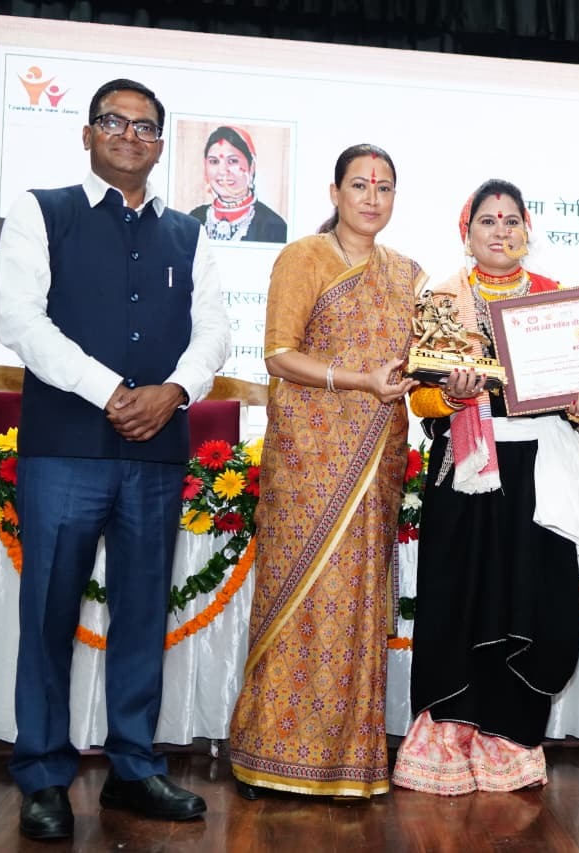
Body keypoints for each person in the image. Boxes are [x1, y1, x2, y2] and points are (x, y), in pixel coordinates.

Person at [0, 78, 231, 840]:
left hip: (156, 452)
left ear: (161, 144)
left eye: (145, 126)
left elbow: (215, 333)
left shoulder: (190, 235)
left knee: (141, 612)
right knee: (49, 613)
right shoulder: (42, 211)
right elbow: (19, 321)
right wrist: (111, 391)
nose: (130, 135)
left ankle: (134, 767)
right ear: (88, 134)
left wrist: (174, 391)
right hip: (65, 449)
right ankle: (43, 775)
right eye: (114, 121)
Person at [391, 178, 579, 795]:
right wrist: (451, 396)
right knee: (458, 601)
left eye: (512, 221)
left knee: (534, 605)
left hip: (540, 473)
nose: (501, 231)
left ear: (527, 232)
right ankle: (446, 741)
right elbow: (420, 399)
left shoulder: (557, 299)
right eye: (488, 220)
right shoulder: (440, 301)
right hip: (465, 474)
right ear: (467, 233)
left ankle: (510, 740)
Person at [226, 144, 422, 798]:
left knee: (358, 603)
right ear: (334, 192)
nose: (372, 197)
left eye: (384, 187)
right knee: (296, 597)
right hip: (306, 462)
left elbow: (424, 361)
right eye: (360, 184)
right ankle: (267, 755)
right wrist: (358, 379)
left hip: (374, 460)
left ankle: (347, 763)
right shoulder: (302, 257)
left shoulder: (408, 275)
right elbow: (279, 355)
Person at [188, 125, 288, 242]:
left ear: (251, 167)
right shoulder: (195, 218)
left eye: (232, 161)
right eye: (214, 161)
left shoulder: (273, 226)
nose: (223, 171)